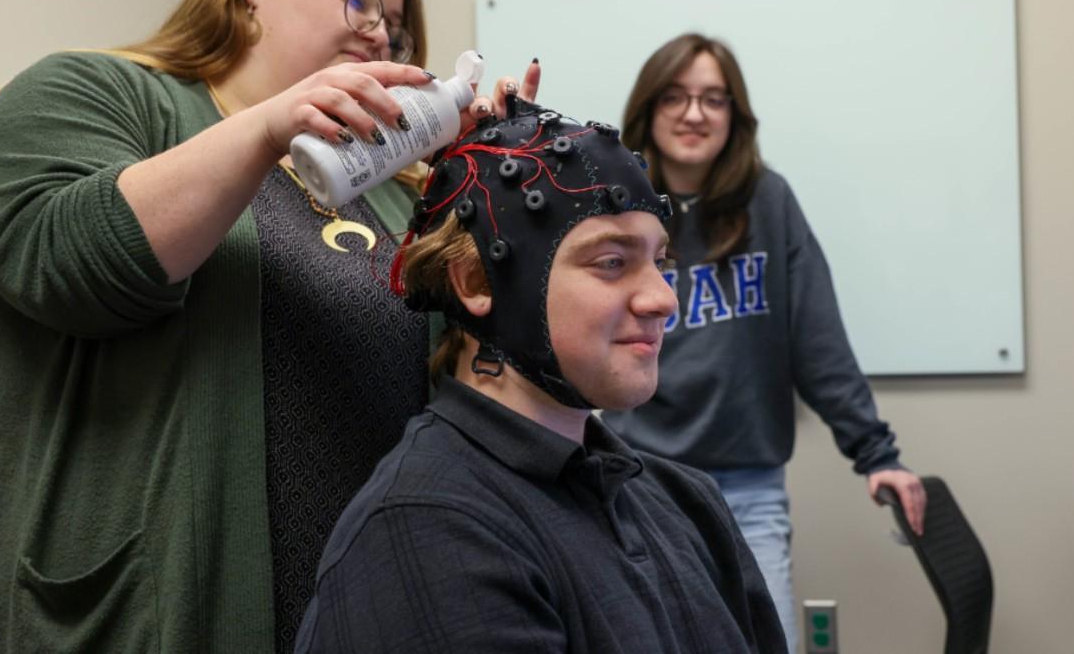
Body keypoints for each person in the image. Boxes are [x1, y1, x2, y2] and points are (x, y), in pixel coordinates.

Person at [0, 0, 535, 652]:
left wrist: (491, 190)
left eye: (397, 25)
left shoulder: (390, 188)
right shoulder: (91, 94)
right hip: (137, 620)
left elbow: (475, 378)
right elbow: (73, 263)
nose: (380, 31)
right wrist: (266, 127)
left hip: (351, 614)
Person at [294, 108, 787, 653]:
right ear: (478, 280)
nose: (664, 299)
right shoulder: (430, 528)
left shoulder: (688, 504)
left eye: (660, 262)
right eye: (611, 262)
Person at [603, 32, 928, 651]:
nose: (694, 113)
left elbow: (818, 341)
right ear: (648, 109)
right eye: (675, 96)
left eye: (713, 99)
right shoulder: (613, 210)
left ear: (735, 117)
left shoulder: (768, 202)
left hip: (748, 489)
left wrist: (877, 454)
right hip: (638, 483)